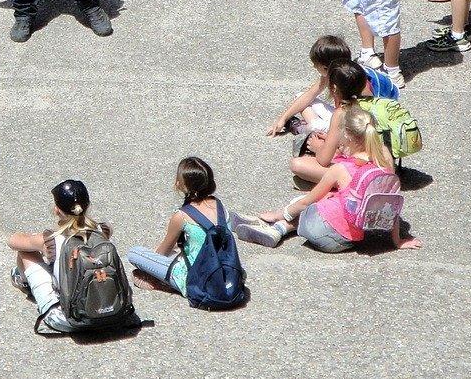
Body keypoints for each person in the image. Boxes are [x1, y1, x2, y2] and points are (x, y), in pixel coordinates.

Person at [232, 105, 422, 253]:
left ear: (346, 135)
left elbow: (309, 201)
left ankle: (277, 226)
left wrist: (280, 213)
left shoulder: (340, 169)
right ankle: (275, 228)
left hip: (322, 235)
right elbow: (391, 203)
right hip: (352, 240)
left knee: (316, 199)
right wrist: (397, 241)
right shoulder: (385, 160)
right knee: (337, 197)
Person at [7, 179, 112, 333]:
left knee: (25, 254)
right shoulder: (103, 230)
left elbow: (13, 242)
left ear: (56, 210)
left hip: (67, 319)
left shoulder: (51, 239)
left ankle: (23, 281)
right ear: (87, 205)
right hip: (112, 309)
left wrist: (36, 240)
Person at [126, 157, 225, 297]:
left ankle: (169, 283)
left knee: (134, 253)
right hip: (222, 271)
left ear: (180, 184)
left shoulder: (182, 216)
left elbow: (162, 253)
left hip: (195, 278)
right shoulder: (220, 207)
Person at [288, 60, 396, 186]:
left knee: (297, 164)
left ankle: (352, 185)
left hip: (362, 174)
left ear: (333, 88)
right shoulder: (371, 103)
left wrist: (318, 148)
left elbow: (323, 160)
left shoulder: (341, 113)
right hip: (383, 168)